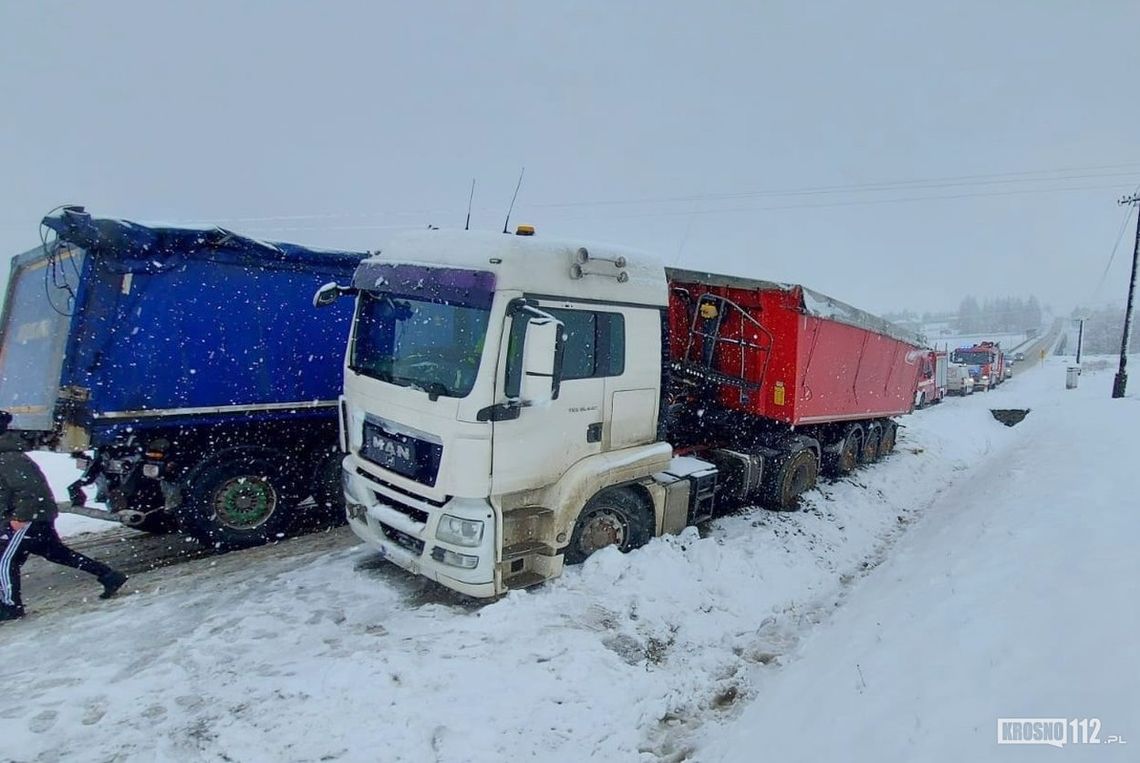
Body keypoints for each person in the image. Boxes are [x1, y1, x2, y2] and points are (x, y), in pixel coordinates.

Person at [0, 411, 127, 621]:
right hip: (34, 516)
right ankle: (108, 575)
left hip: (27, 518)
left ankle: (11, 606)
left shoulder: (8, 458)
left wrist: (19, 519)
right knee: (56, 553)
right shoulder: (8, 455)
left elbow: (30, 490)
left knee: (4, 559)